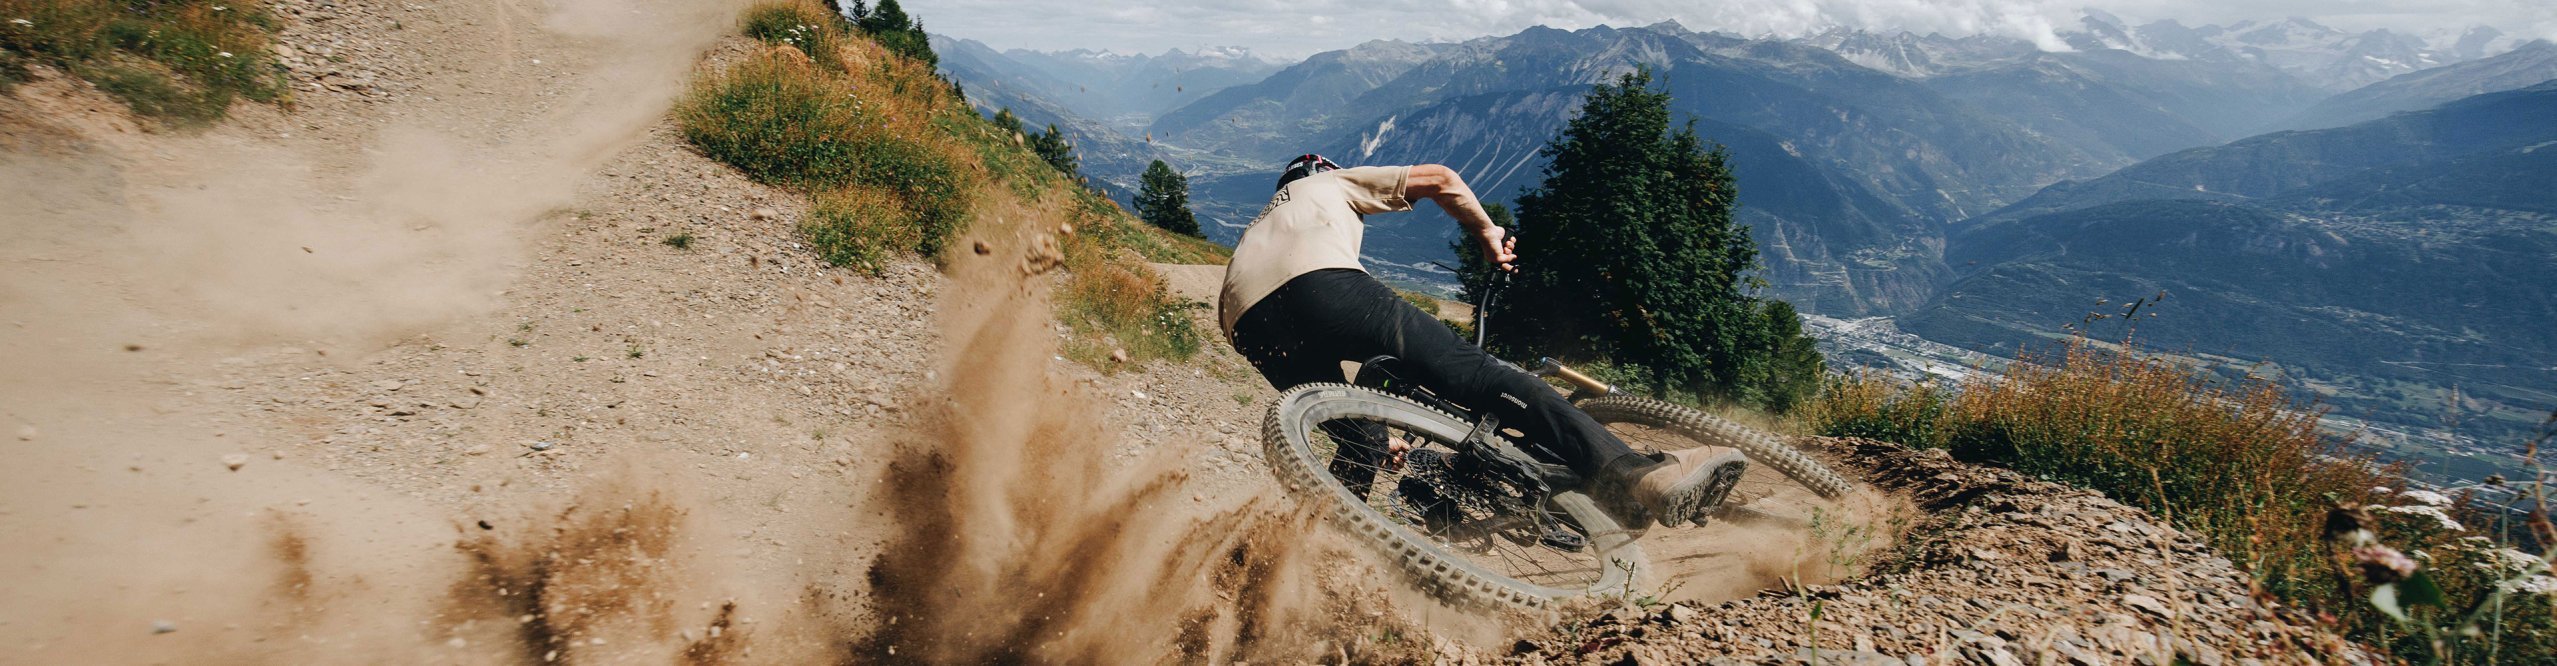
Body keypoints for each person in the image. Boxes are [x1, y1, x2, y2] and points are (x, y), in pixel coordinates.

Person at [1219, 154, 1748, 528]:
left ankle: (1311, 547)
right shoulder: (1328, 184)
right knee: (1487, 376)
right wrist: (1489, 235)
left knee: (1360, 440)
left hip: (1243, 318)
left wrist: (1384, 426)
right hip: (1320, 282)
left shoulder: (1259, 225)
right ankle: (1640, 476)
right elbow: (1441, 180)